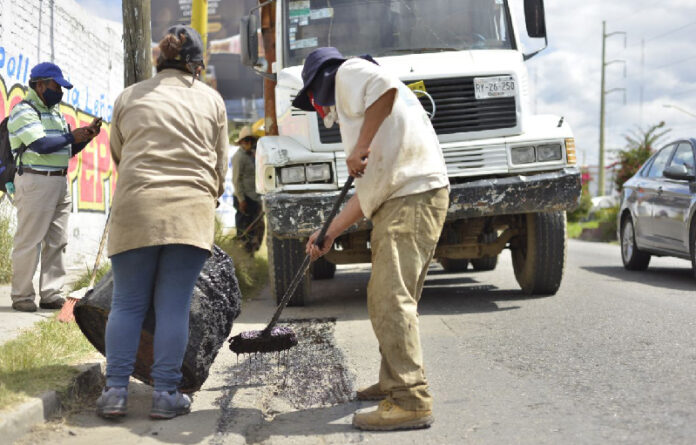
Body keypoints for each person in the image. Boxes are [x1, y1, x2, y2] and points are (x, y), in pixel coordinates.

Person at [294, 47, 449, 431]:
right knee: (393, 295)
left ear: (320, 84)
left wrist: (361, 144)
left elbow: (384, 89)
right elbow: (368, 194)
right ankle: (392, 380)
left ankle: (410, 398)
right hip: (403, 198)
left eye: (314, 101)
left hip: (410, 197)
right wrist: (329, 231)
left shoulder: (349, 72)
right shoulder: (365, 115)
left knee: (388, 296)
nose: (319, 111)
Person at [96, 25, 229, 420]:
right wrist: (208, 194)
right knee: (173, 305)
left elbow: (119, 154)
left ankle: (116, 392)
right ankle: (166, 394)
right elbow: (219, 167)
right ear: (195, 65)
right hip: (190, 213)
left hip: (136, 208)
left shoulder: (128, 97)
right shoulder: (211, 101)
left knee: (127, 302)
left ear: (159, 62)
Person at [8, 62, 99, 313]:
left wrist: (85, 137)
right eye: (56, 86)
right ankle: (22, 296)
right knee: (29, 241)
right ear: (40, 85)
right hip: (35, 181)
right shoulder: (23, 111)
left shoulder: (55, 112)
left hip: (59, 181)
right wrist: (73, 135)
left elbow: (65, 150)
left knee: (58, 241)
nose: (60, 91)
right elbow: (41, 145)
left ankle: (51, 293)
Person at [231, 125, 264, 253]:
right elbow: (236, 180)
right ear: (241, 142)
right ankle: (243, 257)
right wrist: (241, 200)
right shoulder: (238, 157)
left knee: (257, 230)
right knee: (244, 231)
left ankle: (251, 255)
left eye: (251, 140)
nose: (249, 143)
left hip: (254, 197)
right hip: (244, 199)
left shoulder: (252, 155)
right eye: (246, 140)